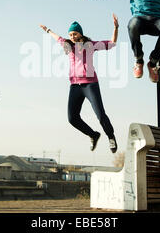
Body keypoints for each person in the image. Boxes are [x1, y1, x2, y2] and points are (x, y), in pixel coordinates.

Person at [39, 14, 119, 153]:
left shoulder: (90, 45)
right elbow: (58, 38)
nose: (72, 36)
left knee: (100, 114)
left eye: (74, 34)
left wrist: (116, 28)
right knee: (72, 118)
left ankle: (111, 137)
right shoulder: (68, 46)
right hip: (75, 86)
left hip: (90, 84)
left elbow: (111, 43)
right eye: (70, 34)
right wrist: (48, 30)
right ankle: (93, 135)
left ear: (80, 34)